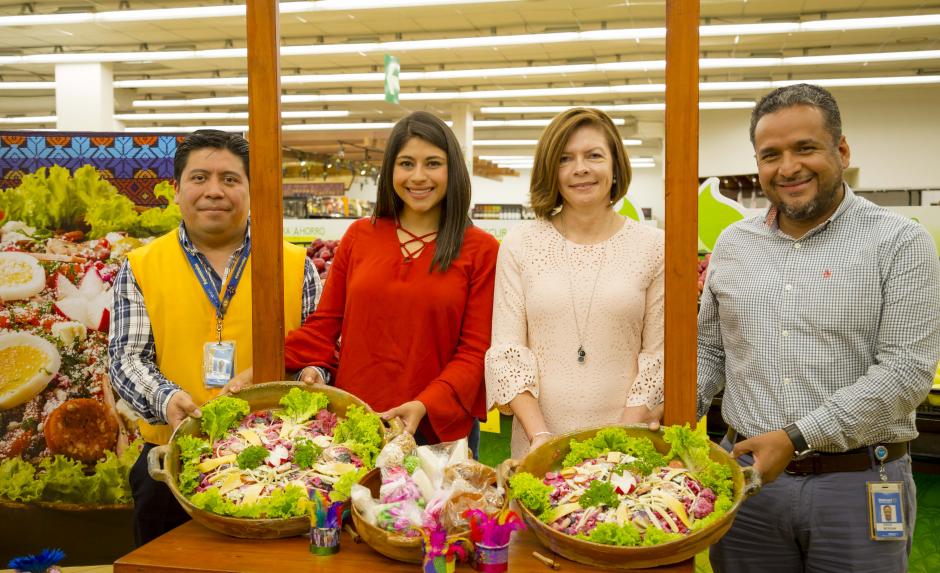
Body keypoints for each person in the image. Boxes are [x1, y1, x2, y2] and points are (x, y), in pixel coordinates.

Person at [697, 84, 940, 572]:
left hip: (859, 481)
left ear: (841, 150)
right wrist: (676, 413)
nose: (788, 167)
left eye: (804, 148)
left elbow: (906, 373)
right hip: (747, 481)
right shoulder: (733, 243)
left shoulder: (900, 243)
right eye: (771, 155)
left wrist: (796, 437)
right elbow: (710, 349)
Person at [108, 129, 320, 546]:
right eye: (199, 177)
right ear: (177, 189)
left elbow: (321, 350)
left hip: (283, 464)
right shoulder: (141, 267)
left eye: (230, 179)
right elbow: (126, 359)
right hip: (173, 465)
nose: (214, 191)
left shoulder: (297, 265)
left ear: (251, 189)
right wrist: (167, 400)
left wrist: (314, 372)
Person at [281, 111, 498, 451]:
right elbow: (324, 325)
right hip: (356, 419)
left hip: (435, 429)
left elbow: (474, 351)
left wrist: (424, 404)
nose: (418, 176)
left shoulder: (481, 249)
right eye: (407, 163)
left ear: (452, 169)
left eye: (433, 163)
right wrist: (265, 362)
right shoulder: (359, 236)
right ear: (391, 170)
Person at [485, 107, 664, 458]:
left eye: (594, 155)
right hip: (538, 445)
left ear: (615, 165)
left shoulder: (654, 246)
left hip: (627, 445)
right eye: (565, 158)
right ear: (551, 170)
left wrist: (621, 443)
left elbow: (658, 357)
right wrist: (541, 438)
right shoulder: (521, 244)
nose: (580, 168)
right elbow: (507, 353)